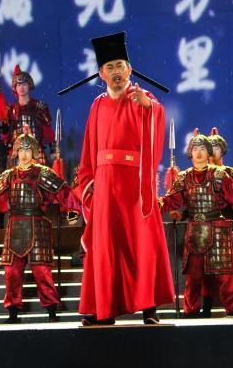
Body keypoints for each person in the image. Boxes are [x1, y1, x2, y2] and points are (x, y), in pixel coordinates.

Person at [75, 31, 174, 325]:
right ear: (101, 74)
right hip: (105, 185)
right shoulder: (97, 105)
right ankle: (104, 311)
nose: (116, 71)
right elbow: (89, 150)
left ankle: (149, 308)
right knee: (105, 248)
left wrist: (148, 107)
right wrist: (89, 183)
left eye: (120, 65)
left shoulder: (144, 99)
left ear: (130, 69)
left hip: (135, 185)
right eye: (110, 67)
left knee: (141, 244)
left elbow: (157, 118)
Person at [0, 128, 78, 323]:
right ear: (16, 152)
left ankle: (52, 312)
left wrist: (72, 211)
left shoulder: (43, 173)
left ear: (33, 152)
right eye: (21, 150)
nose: (24, 154)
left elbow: (63, 191)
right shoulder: (9, 175)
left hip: (37, 226)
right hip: (15, 227)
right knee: (11, 273)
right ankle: (13, 313)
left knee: (42, 273)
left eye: (28, 150)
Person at [159, 130, 233, 317]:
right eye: (195, 149)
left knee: (227, 277)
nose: (198, 153)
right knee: (193, 278)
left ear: (208, 151)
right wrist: (154, 205)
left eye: (202, 148)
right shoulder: (184, 177)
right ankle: (191, 314)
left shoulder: (220, 175)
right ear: (190, 152)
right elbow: (170, 200)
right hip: (195, 232)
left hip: (218, 230)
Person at [5, 65, 54, 167]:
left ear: (29, 85)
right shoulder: (10, 110)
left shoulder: (39, 107)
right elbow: (7, 135)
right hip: (17, 154)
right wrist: (9, 151)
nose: (21, 87)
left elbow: (48, 132)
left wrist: (52, 151)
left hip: (36, 152)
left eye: (24, 84)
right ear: (15, 88)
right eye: (18, 85)